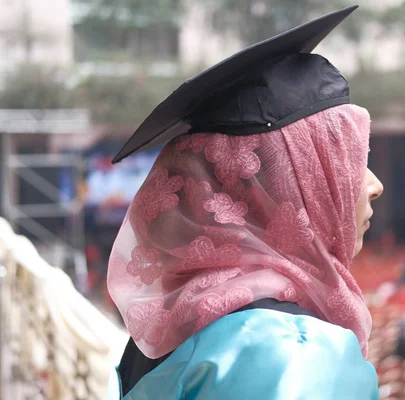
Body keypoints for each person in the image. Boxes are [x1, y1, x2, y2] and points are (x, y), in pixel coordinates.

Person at [106, 6, 384, 400]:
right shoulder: (295, 355)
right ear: (286, 193)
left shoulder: (166, 335)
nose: (375, 185)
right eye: (350, 163)